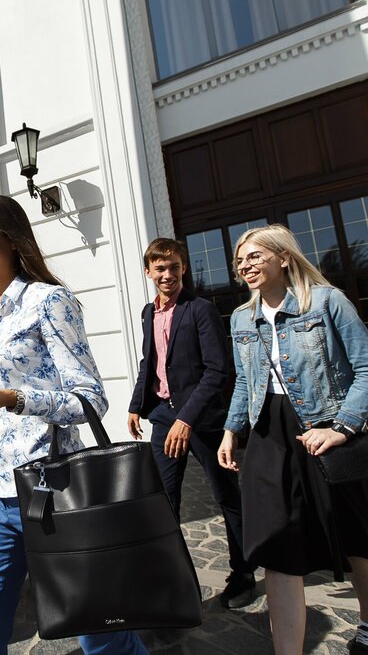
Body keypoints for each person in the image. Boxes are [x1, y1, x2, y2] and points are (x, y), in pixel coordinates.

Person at [216, 224, 368, 655]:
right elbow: (245, 379)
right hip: (268, 437)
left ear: (283, 257)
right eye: (241, 260)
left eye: (256, 256)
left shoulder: (328, 302)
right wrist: (231, 429)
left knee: (356, 539)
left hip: (326, 430)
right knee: (275, 547)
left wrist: (340, 429)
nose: (246, 265)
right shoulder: (242, 316)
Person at [0, 194, 146, 655]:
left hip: (51, 491)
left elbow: (91, 399)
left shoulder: (48, 300)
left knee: (100, 635)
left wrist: (15, 399)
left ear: (11, 236)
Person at [127, 237, 258, 609]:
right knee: (164, 501)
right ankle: (174, 579)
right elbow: (148, 363)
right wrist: (137, 405)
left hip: (201, 420)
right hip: (162, 417)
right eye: (160, 268)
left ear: (183, 268)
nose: (167, 274)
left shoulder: (200, 309)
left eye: (174, 267)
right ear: (148, 271)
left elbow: (218, 370)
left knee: (225, 495)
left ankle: (244, 572)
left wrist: (187, 419)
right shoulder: (147, 313)